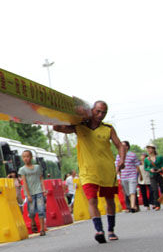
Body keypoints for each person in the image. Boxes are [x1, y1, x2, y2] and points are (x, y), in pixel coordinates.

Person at [54, 100, 125, 243]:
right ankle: (99, 230)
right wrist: (67, 115)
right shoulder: (79, 126)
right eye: (98, 111)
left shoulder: (108, 128)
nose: (100, 115)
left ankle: (111, 230)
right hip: (88, 172)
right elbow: (57, 127)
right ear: (91, 110)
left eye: (104, 112)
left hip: (107, 171)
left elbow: (120, 145)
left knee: (109, 201)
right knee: (92, 200)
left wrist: (122, 159)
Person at [18, 150, 46, 235]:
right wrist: (28, 195)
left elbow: (41, 179)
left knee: (41, 210)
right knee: (32, 211)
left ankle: (42, 229)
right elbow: (24, 182)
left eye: (27, 156)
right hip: (30, 193)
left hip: (39, 192)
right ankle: (33, 222)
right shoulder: (22, 170)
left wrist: (43, 189)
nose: (26, 158)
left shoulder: (37, 167)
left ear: (31, 157)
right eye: (24, 157)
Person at [115, 141, 140, 212]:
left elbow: (137, 165)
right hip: (123, 177)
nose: (122, 147)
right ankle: (133, 205)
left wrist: (138, 175)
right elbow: (117, 166)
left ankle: (132, 207)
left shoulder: (133, 155)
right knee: (128, 192)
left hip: (132, 176)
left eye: (123, 145)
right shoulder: (118, 155)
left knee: (132, 191)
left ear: (127, 147)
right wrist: (117, 175)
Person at [143, 145, 163, 210]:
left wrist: (160, 169)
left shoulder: (159, 157)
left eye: (150, 148)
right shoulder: (146, 159)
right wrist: (150, 170)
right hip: (152, 175)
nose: (148, 150)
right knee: (155, 190)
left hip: (159, 174)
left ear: (153, 149)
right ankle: (157, 205)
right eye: (147, 148)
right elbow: (145, 168)